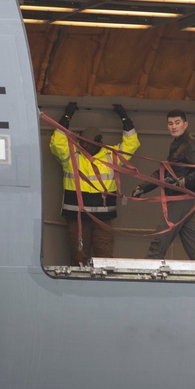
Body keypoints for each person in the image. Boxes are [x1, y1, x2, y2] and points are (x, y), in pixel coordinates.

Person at [49, 101, 140, 266]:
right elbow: (57, 143)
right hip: (77, 219)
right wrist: (66, 117)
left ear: (98, 141)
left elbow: (131, 144)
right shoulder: (72, 157)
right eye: (81, 142)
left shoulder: (110, 156)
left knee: (105, 259)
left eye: (87, 143)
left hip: (103, 220)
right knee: (78, 260)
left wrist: (125, 119)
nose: (83, 145)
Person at [133, 109, 195, 261]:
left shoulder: (191, 144)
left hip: (183, 197)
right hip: (179, 197)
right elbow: (165, 171)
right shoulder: (176, 144)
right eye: (170, 124)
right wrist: (143, 187)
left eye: (177, 123)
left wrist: (183, 182)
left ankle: (149, 268)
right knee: (192, 240)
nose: (173, 126)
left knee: (162, 235)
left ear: (185, 124)